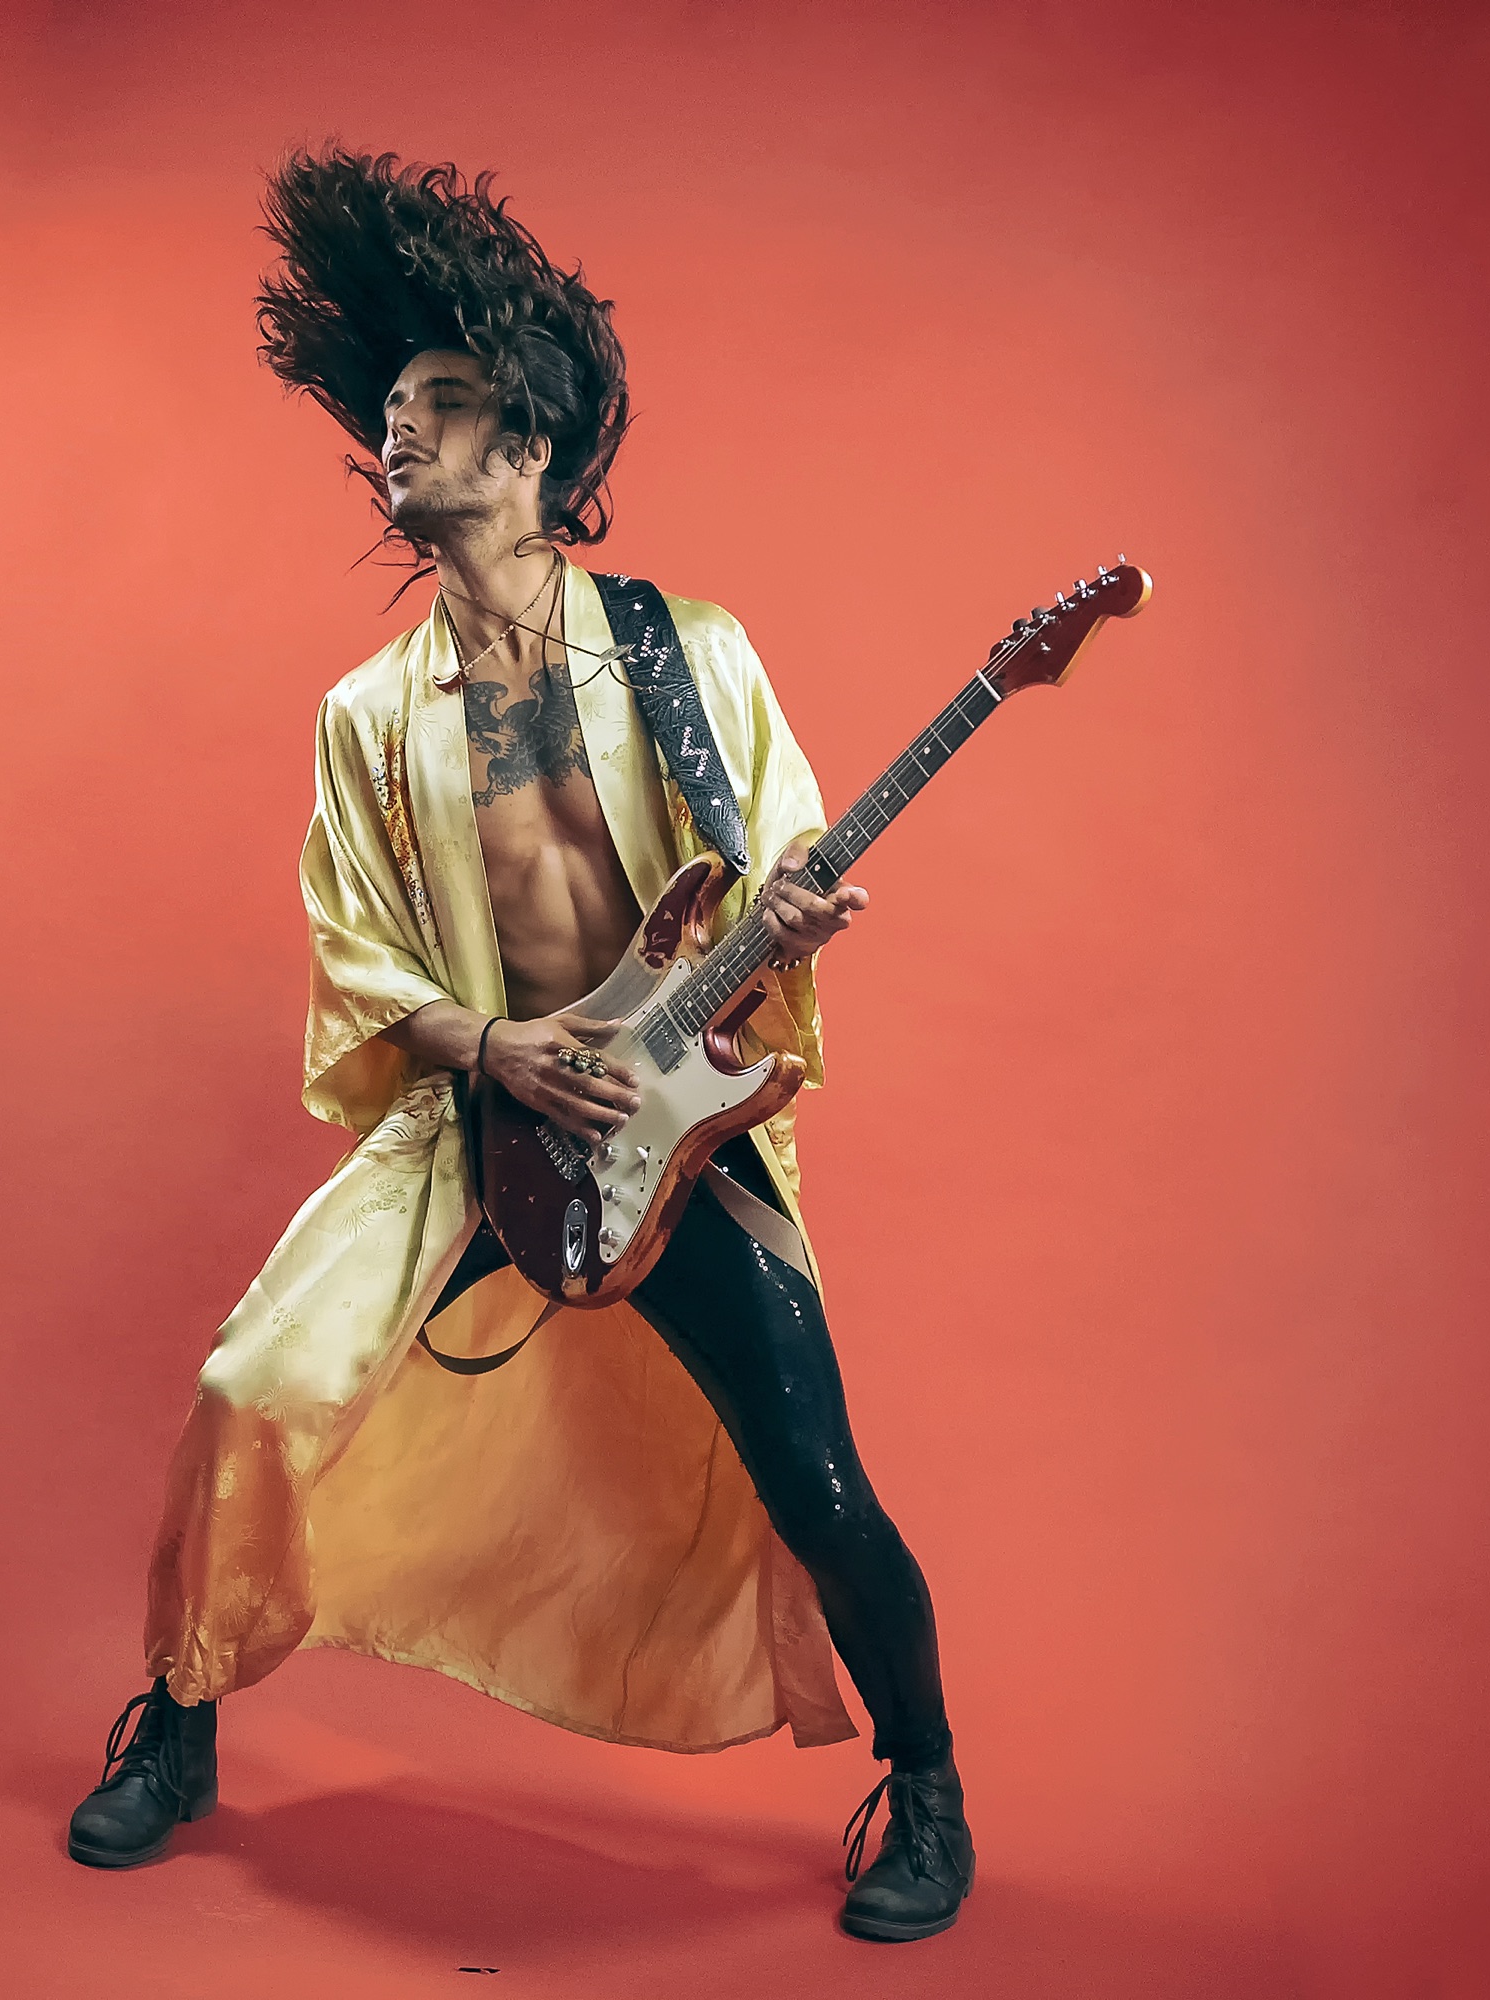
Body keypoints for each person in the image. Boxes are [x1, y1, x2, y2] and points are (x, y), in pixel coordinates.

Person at [66, 148, 974, 1943]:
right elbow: (357, 961)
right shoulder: (367, 714)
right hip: (472, 1125)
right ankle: (178, 1728)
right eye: (391, 407)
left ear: (532, 445)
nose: (396, 432)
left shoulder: (687, 652)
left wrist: (786, 926)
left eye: (442, 402)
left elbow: (775, 860)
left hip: (668, 1128)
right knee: (254, 1387)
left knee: (815, 1476)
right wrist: (492, 1047)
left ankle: (930, 1785)